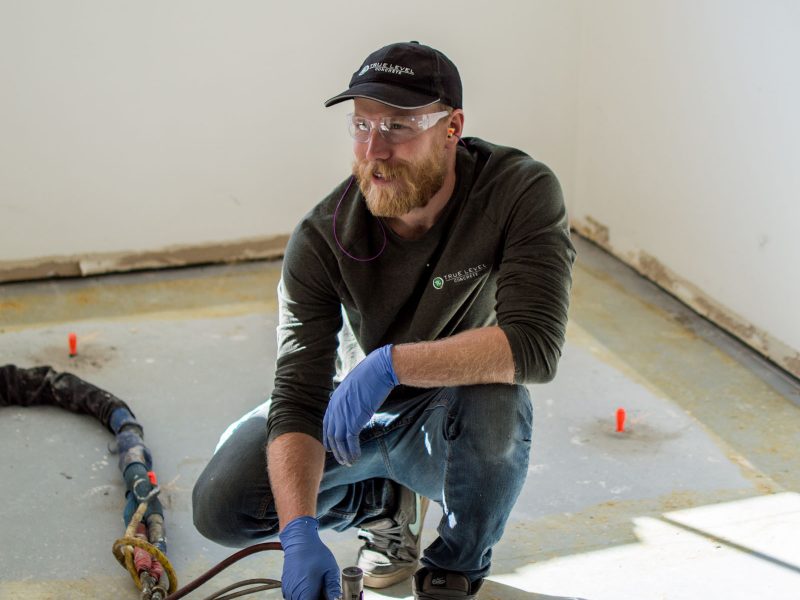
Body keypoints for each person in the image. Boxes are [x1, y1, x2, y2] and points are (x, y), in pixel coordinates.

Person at [192, 41, 575, 600]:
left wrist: (392, 364)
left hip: (449, 407)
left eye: (398, 126)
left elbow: (535, 346)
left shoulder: (517, 191)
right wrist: (299, 533)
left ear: (452, 128)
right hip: (352, 412)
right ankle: (383, 507)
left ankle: (456, 563)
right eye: (362, 125)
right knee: (224, 504)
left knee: (499, 404)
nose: (376, 149)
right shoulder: (322, 236)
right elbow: (297, 395)